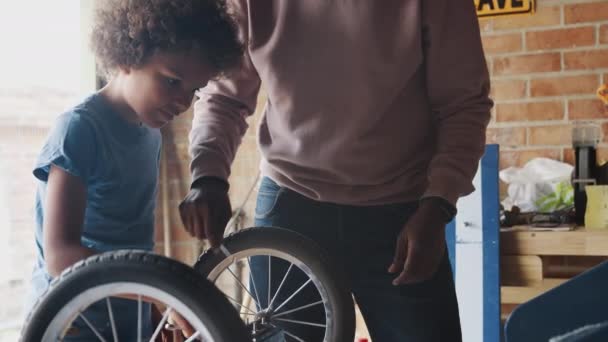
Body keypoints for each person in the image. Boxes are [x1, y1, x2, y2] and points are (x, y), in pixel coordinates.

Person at [179, 0, 493, 341]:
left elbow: (463, 105)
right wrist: (208, 176)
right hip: (290, 205)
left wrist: (439, 204)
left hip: (401, 213)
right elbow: (224, 98)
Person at [25, 0, 242, 340]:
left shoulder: (150, 134)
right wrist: (162, 292)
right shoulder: (80, 129)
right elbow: (61, 257)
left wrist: (155, 312)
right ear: (128, 56)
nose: (184, 102)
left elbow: (132, 243)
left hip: (126, 319)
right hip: (71, 322)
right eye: (172, 81)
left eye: (194, 90)